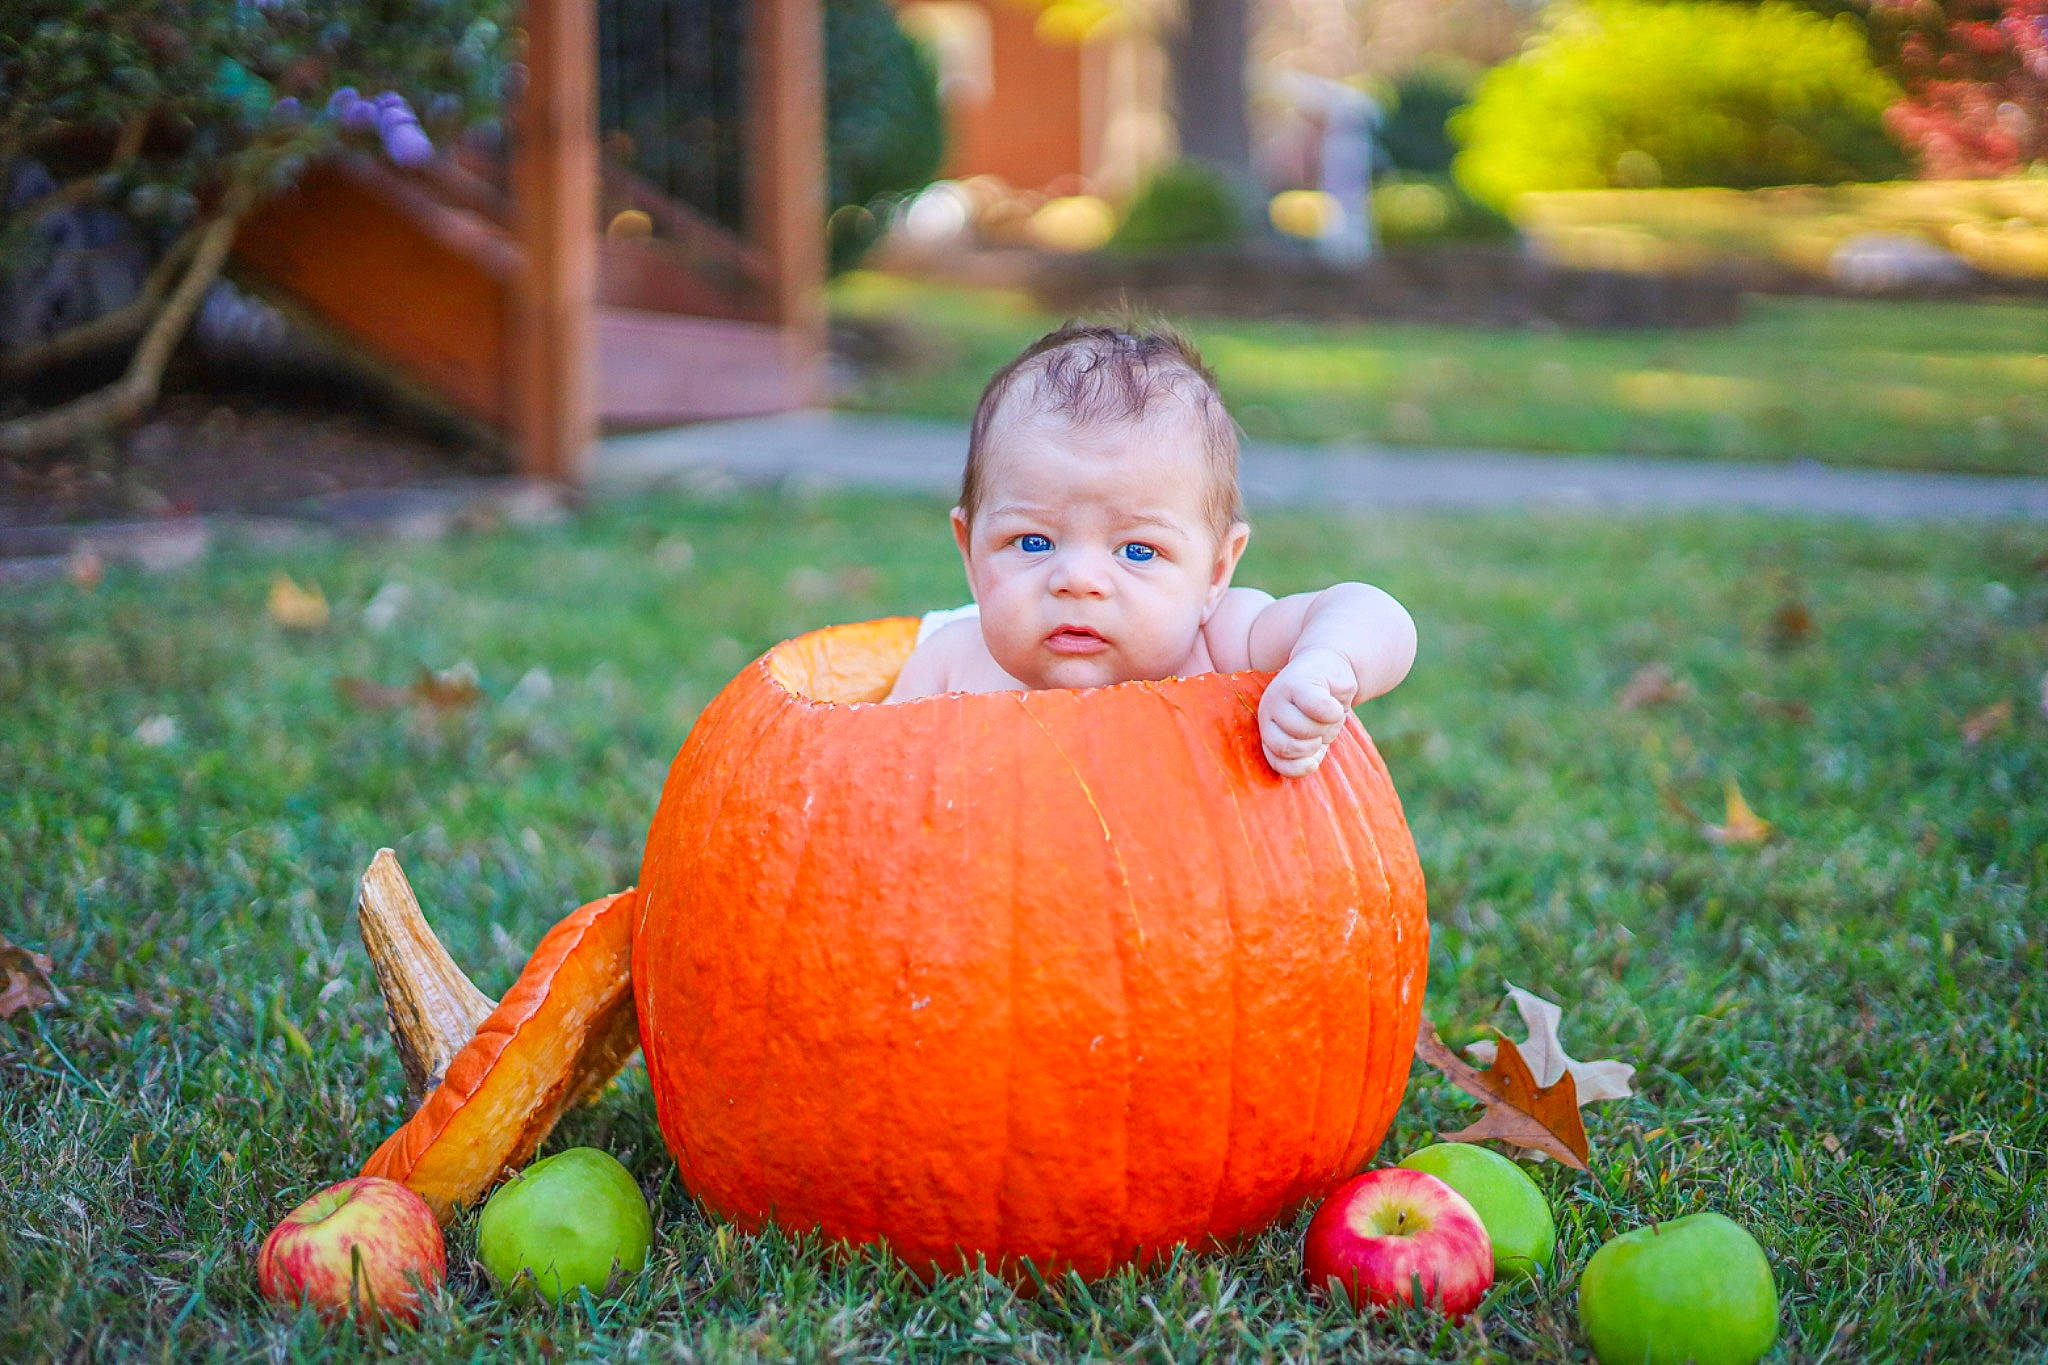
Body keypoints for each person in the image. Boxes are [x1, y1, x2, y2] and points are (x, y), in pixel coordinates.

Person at [885, 320, 1416, 777]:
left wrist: (1325, 663)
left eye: (1137, 550)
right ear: (971, 554)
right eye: (1033, 541)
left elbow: (1374, 614)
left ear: (1215, 573)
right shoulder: (950, 667)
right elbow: (868, 786)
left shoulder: (1223, 644)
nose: (1077, 579)